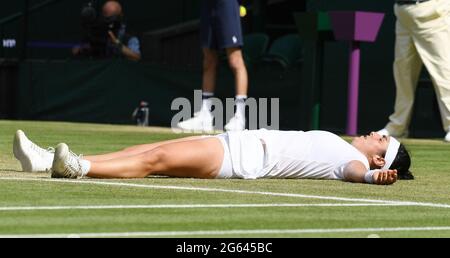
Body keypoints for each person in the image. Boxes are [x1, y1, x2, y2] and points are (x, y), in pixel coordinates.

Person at [13, 129, 413, 185]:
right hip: (236, 142)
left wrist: (368, 179)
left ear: (381, 161)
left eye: (383, 140)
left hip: (239, 158)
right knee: (144, 150)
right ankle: (51, 160)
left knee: (157, 158)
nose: (376, 133)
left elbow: (352, 170)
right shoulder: (343, 146)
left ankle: (79, 168)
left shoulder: (353, 162)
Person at [378, 0, 450, 142]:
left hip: (432, 12)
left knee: (443, 72)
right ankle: (397, 126)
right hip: (403, 14)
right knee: (403, 73)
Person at [177, 0, 249, 132]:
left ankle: (240, 116)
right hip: (208, 5)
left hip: (227, 4)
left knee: (235, 60)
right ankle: (205, 116)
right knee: (209, 60)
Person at [72, 0, 141, 61]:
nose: (108, 23)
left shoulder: (127, 34)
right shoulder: (99, 29)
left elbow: (136, 57)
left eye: (111, 19)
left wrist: (117, 43)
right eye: (106, 18)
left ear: (120, 16)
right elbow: (75, 51)